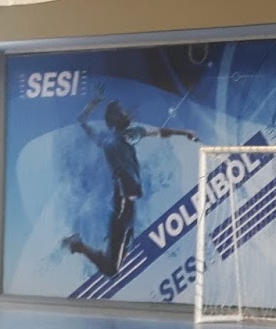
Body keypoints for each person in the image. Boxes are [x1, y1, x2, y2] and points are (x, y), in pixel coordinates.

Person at [62, 84, 199, 277]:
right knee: (112, 269)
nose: (127, 114)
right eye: (122, 112)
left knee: (114, 266)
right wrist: (94, 102)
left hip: (129, 206)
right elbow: (82, 121)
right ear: (116, 118)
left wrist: (184, 133)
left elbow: (159, 132)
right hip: (123, 203)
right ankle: (77, 245)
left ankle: (79, 246)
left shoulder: (128, 135)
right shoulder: (110, 139)